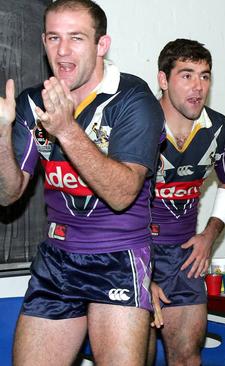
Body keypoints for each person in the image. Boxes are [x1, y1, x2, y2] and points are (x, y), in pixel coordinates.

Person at [0, 0, 164, 364]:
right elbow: (9, 193)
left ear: (100, 45)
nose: (62, 50)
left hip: (117, 254)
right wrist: (1, 132)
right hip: (58, 257)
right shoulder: (33, 101)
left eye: (76, 38)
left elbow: (122, 194)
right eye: (54, 37)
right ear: (43, 41)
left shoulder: (133, 100)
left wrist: (66, 130)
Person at [148, 38, 225, 365]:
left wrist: (208, 236)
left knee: (187, 356)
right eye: (186, 75)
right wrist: (142, 271)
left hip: (184, 258)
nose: (198, 86)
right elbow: (110, 200)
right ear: (163, 80)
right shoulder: (138, 124)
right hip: (132, 254)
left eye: (205, 75)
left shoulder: (218, 128)